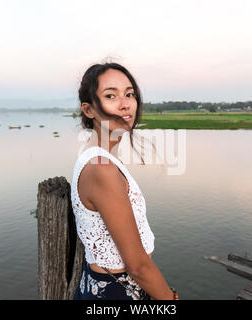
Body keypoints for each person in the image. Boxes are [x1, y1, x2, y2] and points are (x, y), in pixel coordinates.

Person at [71, 62, 178, 300]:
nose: (125, 103)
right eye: (111, 95)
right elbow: (138, 266)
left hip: (110, 287)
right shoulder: (102, 169)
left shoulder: (100, 157)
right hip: (117, 292)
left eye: (129, 94)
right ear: (89, 110)